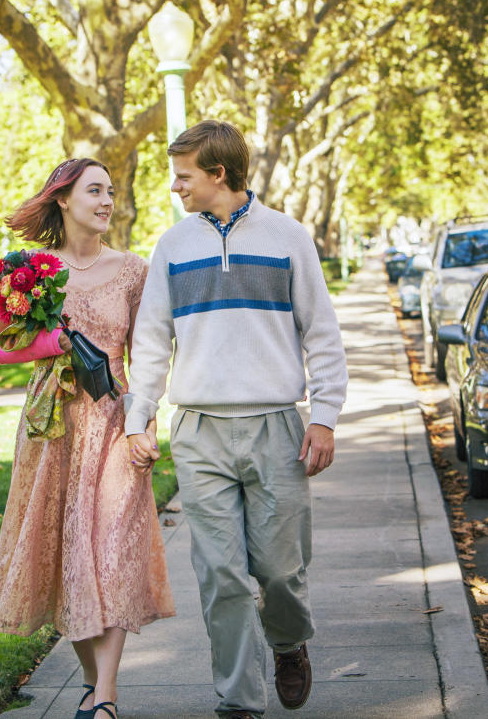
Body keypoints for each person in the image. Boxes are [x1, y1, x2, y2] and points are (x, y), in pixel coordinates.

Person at [125, 120, 348, 718]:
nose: (175, 186)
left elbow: (321, 333)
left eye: (184, 175)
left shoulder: (288, 237)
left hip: (277, 425)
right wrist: (138, 418)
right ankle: (238, 702)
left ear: (217, 174)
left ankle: (289, 643)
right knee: (221, 575)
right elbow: (150, 340)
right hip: (199, 430)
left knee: (280, 571)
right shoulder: (172, 246)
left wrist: (323, 417)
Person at [0, 158, 174, 719]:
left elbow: (149, 357)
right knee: (68, 555)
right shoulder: (32, 272)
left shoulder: (134, 271)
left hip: (113, 421)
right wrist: (47, 346)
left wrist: (146, 425)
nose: (107, 200)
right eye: (95, 191)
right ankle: (93, 685)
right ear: (63, 199)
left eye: (111, 191)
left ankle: (106, 696)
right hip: (53, 427)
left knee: (111, 550)